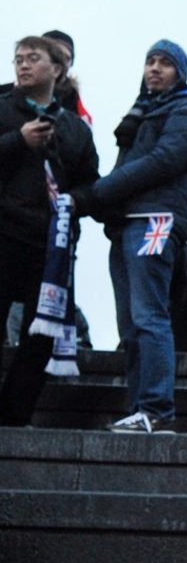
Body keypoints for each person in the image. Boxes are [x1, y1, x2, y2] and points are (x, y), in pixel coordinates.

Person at [75, 40, 187, 433]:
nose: (154, 68)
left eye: (165, 63)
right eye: (150, 61)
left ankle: (156, 409)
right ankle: (141, 408)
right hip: (127, 223)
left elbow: (164, 160)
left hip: (156, 219)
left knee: (150, 316)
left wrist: (100, 192)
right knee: (131, 324)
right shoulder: (143, 113)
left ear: (180, 73)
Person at [0, 35, 98, 424]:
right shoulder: (3, 110)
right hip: (4, 235)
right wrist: (17, 142)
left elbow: (92, 183)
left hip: (50, 247)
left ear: (56, 70)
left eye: (32, 59)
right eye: (18, 59)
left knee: (40, 337)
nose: (23, 66)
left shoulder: (75, 129)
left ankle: (12, 415)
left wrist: (75, 202)